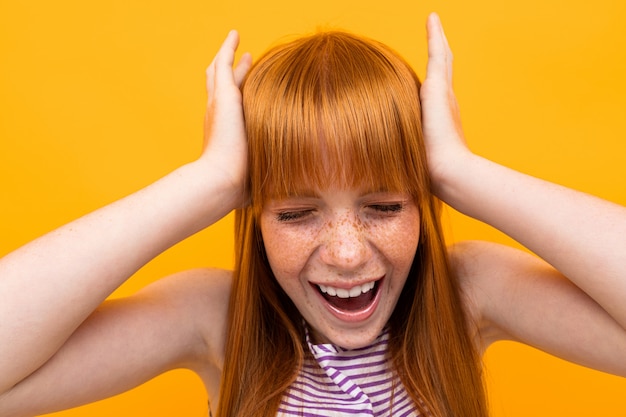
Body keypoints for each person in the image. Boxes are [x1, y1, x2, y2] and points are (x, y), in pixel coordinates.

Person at [1, 12, 625, 417]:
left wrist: (463, 173)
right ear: (253, 211)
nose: (347, 254)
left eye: (384, 205)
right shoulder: (217, 316)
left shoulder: (465, 295)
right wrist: (206, 183)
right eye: (297, 214)